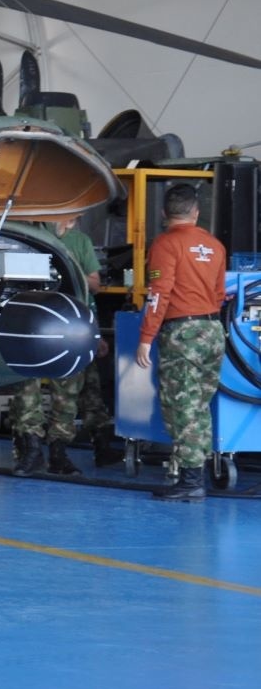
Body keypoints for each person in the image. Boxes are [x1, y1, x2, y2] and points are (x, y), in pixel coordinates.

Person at [135, 183, 228, 502]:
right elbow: (219, 294)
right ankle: (194, 473)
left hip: (183, 333)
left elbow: (159, 293)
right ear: (196, 212)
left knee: (182, 406)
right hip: (213, 331)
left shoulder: (166, 244)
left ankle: (190, 480)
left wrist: (146, 338)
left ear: (164, 213)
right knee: (199, 405)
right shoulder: (215, 245)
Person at [9, 212, 119, 476]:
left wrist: (70, 266)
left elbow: (94, 286)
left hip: (69, 323)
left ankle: (58, 451)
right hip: (32, 323)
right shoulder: (26, 236)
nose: (69, 221)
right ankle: (31, 449)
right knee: (26, 389)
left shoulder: (79, 242)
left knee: (68, 391)